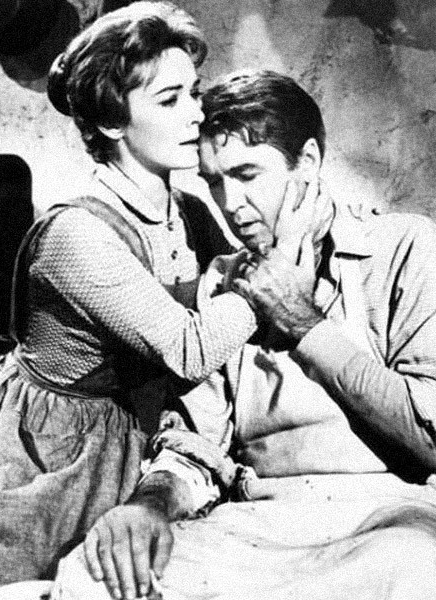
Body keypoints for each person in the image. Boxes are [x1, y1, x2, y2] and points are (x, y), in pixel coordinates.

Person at [51, 69, 436, 600]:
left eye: (247, 174)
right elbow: (194, 445)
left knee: (416, 572)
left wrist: (303, 323)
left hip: (388, 517)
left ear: (307, 161)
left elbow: (430, 435)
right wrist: (147, 506)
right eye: (213, 181)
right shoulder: (224, 280)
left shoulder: (404, 248)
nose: (230, 203)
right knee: (95, 575)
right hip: (255, 523)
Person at [0, 6, 262, 599]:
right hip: (44, 454)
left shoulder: (189, 213)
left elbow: (229, 292)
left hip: (136, 434)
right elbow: (191, 349)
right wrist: (273, 282)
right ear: (111, 121)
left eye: (195, 93)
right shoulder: (76, 234)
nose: (197, 114)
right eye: (170, 100)